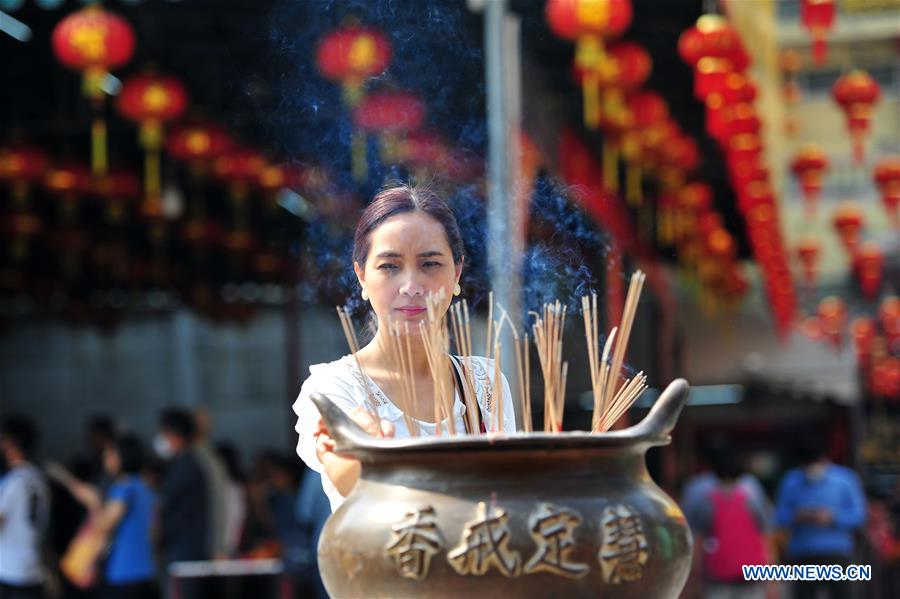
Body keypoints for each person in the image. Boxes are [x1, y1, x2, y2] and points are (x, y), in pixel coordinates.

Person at [293, 184, 517, 511]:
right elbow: (350, 477)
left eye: (429, 264)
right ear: (361, 276)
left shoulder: (483, 383)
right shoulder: (332, 389)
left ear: (457, 273)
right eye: (390, 266)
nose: (411, 287)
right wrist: (364, 453)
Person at [774, 434, 866, 599]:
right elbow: (779, 517)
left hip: (838, 553)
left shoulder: (845, 479)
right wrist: (798, 516)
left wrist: (833, 517)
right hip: (803, 553)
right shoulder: (791, 481)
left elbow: (859, 515)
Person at [155, 408, 209, 599]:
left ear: (174, 435)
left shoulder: (186, 467)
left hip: (185, 552)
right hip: (182, 550)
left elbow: (163, 504)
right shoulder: (182, 464)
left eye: (163, 433)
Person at [0, 415, 50, 599]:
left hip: (10, 572)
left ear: (12, 443)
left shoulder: (13, 482)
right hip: (32, 568)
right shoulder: (38, 479)